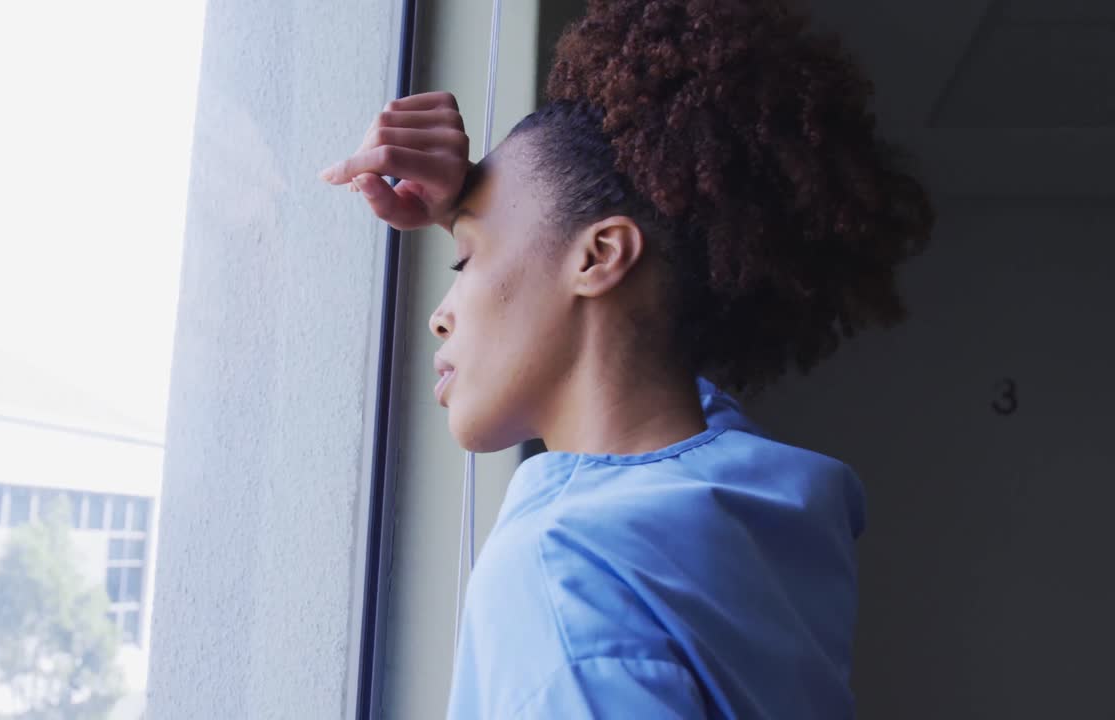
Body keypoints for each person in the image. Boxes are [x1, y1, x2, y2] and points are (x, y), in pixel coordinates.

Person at [319, 0, 933, 716]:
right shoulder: (749, 514)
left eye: (463, 262)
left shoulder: (568, 568)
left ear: (602, 255)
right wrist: (474, 215)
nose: (440, 313)